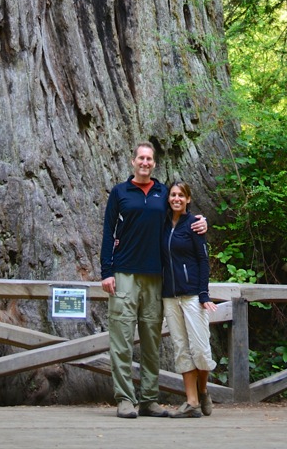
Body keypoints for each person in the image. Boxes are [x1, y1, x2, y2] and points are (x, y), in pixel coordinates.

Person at [100, 142, 208, 420]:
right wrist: (106, 271)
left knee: (151, 342)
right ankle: (125, 398)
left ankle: (149, 399)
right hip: (124, 273)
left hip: (155, 276)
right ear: (133, 161)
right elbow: (108, 231)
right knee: (122, 339)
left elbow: (179, 213)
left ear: (154, 164)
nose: (145, 162)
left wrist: (201, 221)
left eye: (149, 159)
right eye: (141, 158)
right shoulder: (120, 192)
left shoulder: (162, 193)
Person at [162, 180, 216, 417]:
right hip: (170, 296)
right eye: (172, 195)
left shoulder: (194, 224)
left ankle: (203, 390)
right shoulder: (162, 225)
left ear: (188, 199)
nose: (176, 199)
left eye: (180, 195)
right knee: (181, 348)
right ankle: (192, 402)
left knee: (201, 349)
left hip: (192, 295)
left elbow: (203, 260)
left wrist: (203, 293)